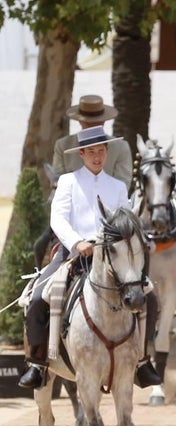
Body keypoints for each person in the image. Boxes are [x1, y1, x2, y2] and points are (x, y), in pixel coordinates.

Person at [20, 126, 162, 389]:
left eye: (101, 151)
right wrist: (77, 241)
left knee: (150, 297)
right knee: (38, 296)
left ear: (107, 152)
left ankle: (142, 361)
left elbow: (126, 222)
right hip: (73, 254)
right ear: (82, 154)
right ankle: (38, 363)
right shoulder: (67, 182)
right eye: (91, 152)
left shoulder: (118, 186)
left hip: (113, 259)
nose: (97, 157)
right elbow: (58, 218)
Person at [52, 95, 133, 188]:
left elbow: (122, 185)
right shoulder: (63, 145)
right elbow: (59, 182)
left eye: (96, 122)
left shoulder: (121, 147)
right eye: (89, 122)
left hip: (108, 200)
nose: (92, 126)